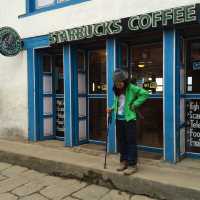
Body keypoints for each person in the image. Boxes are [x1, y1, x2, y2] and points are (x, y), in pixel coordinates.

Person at [107, 69, 149, 175]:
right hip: (119, 119)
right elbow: (118, 103)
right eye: (116, 83)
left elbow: (145, 94)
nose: (118, 85)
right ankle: (123, 161)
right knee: (121, 142)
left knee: (131, 142)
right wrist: (112, 108)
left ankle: (132, 164)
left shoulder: (131, 88)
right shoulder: (117, 90)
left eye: (120, 83)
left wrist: (135, 104)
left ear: (124, 81)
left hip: (129, 120)